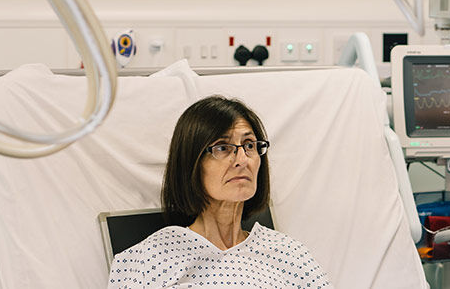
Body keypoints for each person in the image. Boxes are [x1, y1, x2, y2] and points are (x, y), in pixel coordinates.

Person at [108, 96, 332, 288]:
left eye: (249, 145)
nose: (242, 160)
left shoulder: (290, 255)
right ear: (191, 163)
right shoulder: (148, 261)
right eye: (223, 148)